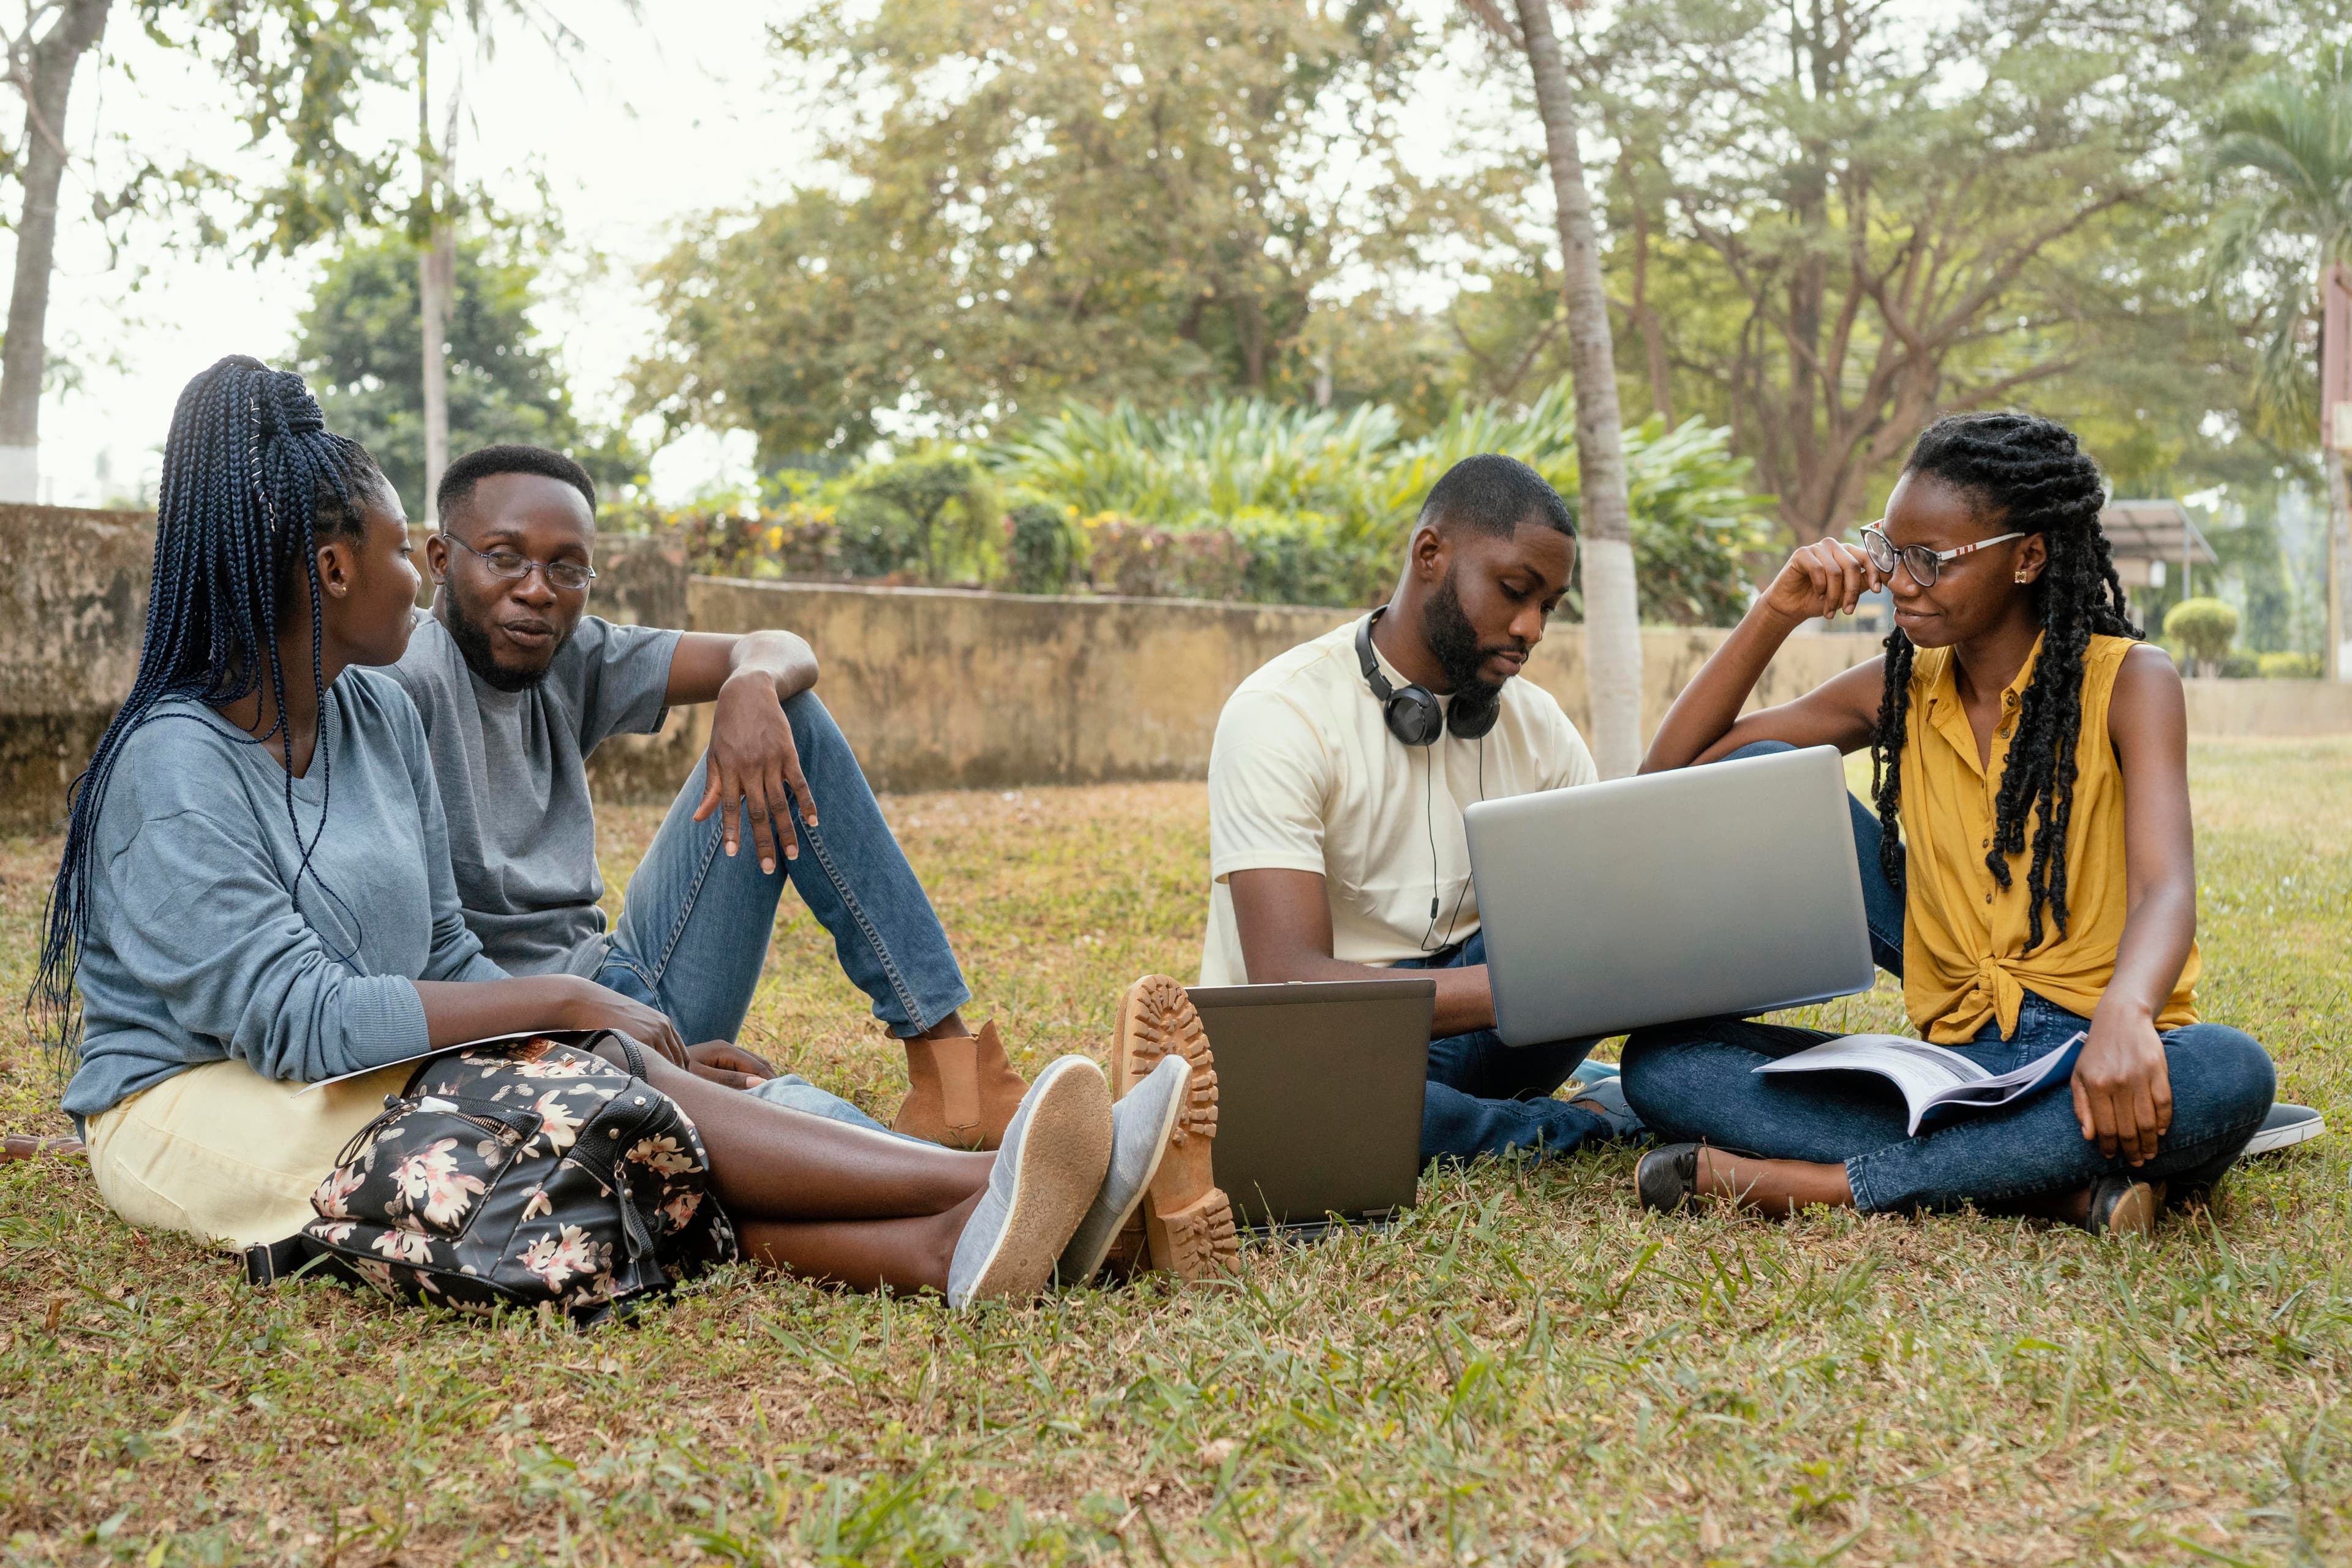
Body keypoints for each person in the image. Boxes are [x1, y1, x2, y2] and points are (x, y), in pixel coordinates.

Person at [41, 356, 1220, 1303]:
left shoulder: (367, 717)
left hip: (386, 1063)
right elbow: (294, 1022)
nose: (421, 577)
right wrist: (567, 1009)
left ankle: (961, 1238)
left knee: (611, 1103)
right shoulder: (174, 763)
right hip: (201, 1098)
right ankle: (981, 1193)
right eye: (410, 551)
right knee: (586, 1115)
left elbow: (445, 952)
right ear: (336, 568)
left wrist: (617, 1035)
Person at [1622, 412, 2277, 1236]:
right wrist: (1776, 611)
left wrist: (2126, 1015)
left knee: (2230, 1073)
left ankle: (1820, 1185)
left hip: (2088, 1054)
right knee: (1663, 1067)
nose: (1900, 580)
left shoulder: (2132, 681)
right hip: (1954, 1067)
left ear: (2027, 557)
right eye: (1891, 552)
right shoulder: (1896, 685)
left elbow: (2164, 888)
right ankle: (2046, 1183)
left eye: (1931, 560)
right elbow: (1674, 784)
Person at [388, 444, 1024, 1152]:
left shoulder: (567, 653)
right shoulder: (400, 685)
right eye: (505, 556)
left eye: (567, 568)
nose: (537, 589)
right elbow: (421, 971)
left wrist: (749, 683)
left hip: (621, 988)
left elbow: (778, 646)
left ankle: (954, 1078)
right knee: (755, 1108)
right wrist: (638, 1055)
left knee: (792, 717)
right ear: (440, 559)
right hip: (527, 1046)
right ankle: (975, 1186)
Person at [1203, 454, 1642, 1166]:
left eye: (1549, 607)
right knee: (1325, 1114)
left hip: (1483, 1026)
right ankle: (1602, 1121)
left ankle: (1506, 1112)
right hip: (1327, 1044)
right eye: (1514, 591)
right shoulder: (1279, 713)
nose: (1531, 627)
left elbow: (1590, 923)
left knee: (1600, 919)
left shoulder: (1542, 727)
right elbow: (1287, 978)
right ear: (1430, 554)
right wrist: (1525, 987)